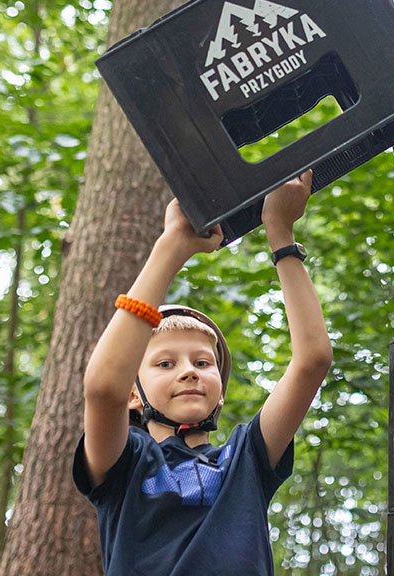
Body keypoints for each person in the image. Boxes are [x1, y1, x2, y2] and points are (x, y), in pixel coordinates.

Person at [73, 171, 331, 576]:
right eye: (164, 364)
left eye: (203, 362)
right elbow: (103, 389)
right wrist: (173, 244)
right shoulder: (125, 462)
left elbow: (313, 360)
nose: (189, 372)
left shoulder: (247, 457)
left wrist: (280, 232)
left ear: (221, 391)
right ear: (133, 394)